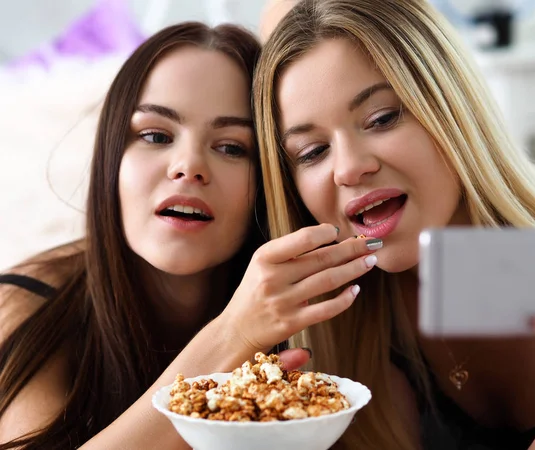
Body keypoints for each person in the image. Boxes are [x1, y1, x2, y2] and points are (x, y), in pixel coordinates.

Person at [0, 21, 379, 449]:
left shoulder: (326, 309)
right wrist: (233, 337)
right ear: (111, 158)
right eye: (155, 135)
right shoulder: (26, 304)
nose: (188, 165)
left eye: (232, 147)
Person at [253, 0, 535, 449]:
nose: (349, 168)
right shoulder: (352, 339)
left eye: (381, 119)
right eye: (312, 152)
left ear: (452, 107)